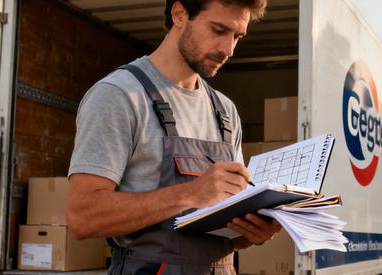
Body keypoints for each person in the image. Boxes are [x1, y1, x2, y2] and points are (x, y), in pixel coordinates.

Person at [65, 0, 279, 274]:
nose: (228, 49)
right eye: (218, 30)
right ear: (179, 14)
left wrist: (253, 232)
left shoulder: (225, 111)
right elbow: (81, 217)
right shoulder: (119, 95)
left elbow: (230, 237)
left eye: (237, 36)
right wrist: (191, 194)